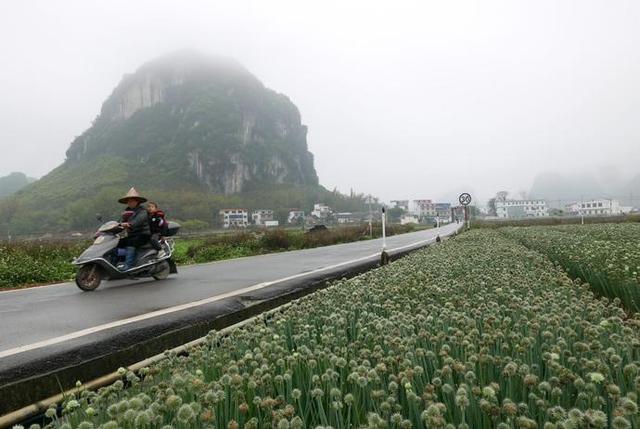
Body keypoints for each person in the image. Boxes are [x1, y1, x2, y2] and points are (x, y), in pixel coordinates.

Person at [118, 187, 151, 270]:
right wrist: (116, 225)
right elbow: (120, 221)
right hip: (132, 235)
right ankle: (119, 263)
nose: (129, 203)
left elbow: (138, 221)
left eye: (131, 201)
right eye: (128, 201)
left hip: (143, 234)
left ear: (137, 201)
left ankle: (129, 265)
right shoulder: (126, 211)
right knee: (118, 243)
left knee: (131, 242)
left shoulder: (142, 211)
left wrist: (130, 224)